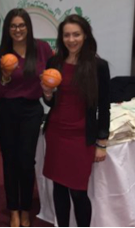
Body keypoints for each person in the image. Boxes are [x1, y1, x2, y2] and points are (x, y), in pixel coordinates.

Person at [41, 14, 110, 228]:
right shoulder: (54, 62)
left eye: (76, 34)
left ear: (86, 36)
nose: (71, 40)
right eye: (67, 35)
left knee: (79, 192)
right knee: (59, 188)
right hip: (56, 133)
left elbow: (104, 107)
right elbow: (50, 102)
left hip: (81, 137)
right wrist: (48, 94)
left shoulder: (98, 66)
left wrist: (102, 142)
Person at [0, 8, 53, 228]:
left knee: (26, 161)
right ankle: (14, 210)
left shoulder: (42, 49)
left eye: (21, 25)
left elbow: (56, 74)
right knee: (10, 161)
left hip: (31, 110)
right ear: (8, 29)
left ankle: (26, 208)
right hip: (6, 110)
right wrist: (5, 78)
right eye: (13, 26)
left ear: (28, 27)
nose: (17, 30)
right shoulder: (1, 55)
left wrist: (50, 87)